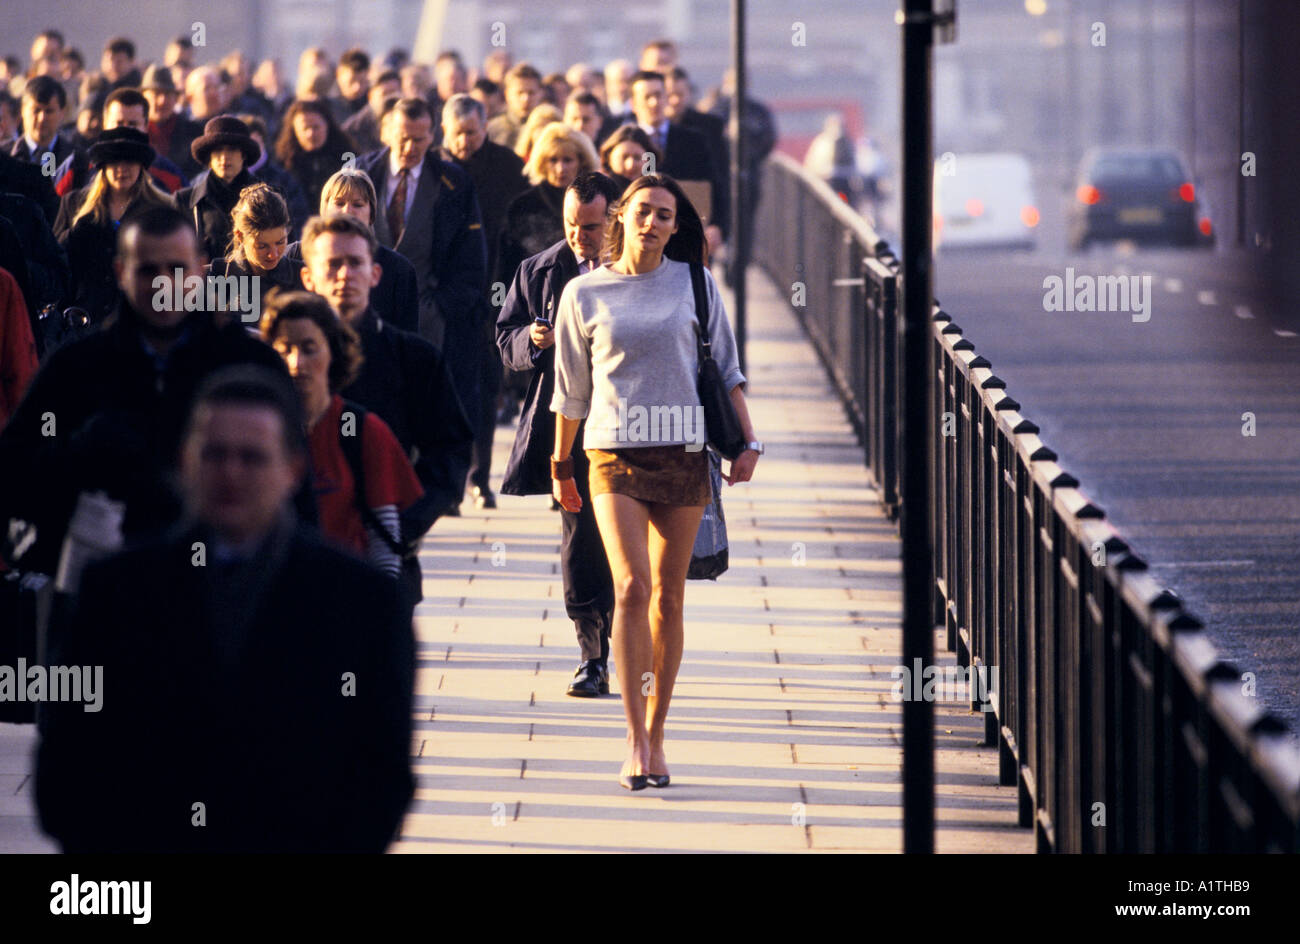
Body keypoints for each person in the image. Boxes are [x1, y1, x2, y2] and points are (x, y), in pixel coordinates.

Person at [35, 364, 415, 853]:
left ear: (291, 470)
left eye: (252, 457)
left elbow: (380, 779)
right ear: (185, 461)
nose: (231, 473)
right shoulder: (116, 590)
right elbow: (67, 764)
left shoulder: (361, 601)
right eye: (215, 454)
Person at [549, 174, 761, 789]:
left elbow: (726, 368)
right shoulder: (583, 293)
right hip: (612, 455)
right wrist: (561, 466)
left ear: (674, 225)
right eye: (643, 211)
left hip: (685, 453)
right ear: (623, 216)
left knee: (670, 596)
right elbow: (571, 392)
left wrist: (749, 442)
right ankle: (633, 742)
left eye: (664, 215)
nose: (652, 223)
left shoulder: (696, 283)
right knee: (632, 588)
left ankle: (658, 735)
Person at [0, 206, 287, 580]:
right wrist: (81, 456)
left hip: (226, 590)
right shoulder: (77, 368)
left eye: (177, 269)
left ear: (200, 270)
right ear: (121, 272)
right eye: (148, 269)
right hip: (104, 592)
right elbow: (15, 471)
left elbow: (294, 487)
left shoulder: (249, 364)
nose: (162, 283)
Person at [497, 172, 618, 696]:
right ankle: (591, 653)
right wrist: (532, 339)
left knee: (623, 539)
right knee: (579, 536)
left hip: (627, 424)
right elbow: (505, 338)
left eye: (590, 227)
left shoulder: (638, 270)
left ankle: (622, 636)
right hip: (564, 427)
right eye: (572, 225)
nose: (579, 236)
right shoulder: (539, 269)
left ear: (613, 218)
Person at [298, 212, 472, 549]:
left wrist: (404, 521)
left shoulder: (415, 359)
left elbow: (450, 450)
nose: (345, 275)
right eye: (333, 264)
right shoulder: (286, 361)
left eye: (355, 263)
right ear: (309, 278)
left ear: (375, 273)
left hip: (385, 543)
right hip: (302, 549)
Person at [260, 291, 422, 583]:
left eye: (309, 348)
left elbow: (384, 539)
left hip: (345, 602)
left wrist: (381, 609)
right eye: (285, 349)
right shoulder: (251, 433)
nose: (297, 363)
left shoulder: (362, 431)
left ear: (332, 352)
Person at [357, 97, 486, 434]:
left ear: (433, 136)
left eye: (419, 138)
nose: (410, 146)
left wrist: (441, 308)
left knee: (422, 411)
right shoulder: (360, 173)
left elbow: (471, 259)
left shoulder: (454, 183)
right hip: (364, 310)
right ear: (387, 132)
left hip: (427, 317)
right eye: (402, 137)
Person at [440, 93, 528, 505]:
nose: (464, 142)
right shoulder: (434, 169)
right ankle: (448, 476)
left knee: (486, 384)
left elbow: (522, 233)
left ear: (485, 127)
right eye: (457, 134)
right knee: (447, 388)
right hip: (446, 294)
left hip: (498, 290)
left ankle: (480, 476)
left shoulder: (508, 167)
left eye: (472, 133)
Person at [52, 127, 173, 325]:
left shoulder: (162, 209)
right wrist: (75, 233)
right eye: (114, 161)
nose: (122, 169)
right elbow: (55, 261)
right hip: (83, 321)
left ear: (141, 166)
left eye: (130, 161)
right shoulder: (74, 204)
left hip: (142, 320)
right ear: (103, 167)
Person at [290, 166, 420, 333]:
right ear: (324, 208)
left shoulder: (399, 269)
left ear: (371, 213)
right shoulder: (295, 255)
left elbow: (406, 339)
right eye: (339, 203)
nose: (347, 211)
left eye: (357, 204)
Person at [497, 123, 598, 288]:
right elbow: (502, 270)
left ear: (582, 162)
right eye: (553, 160)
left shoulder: (595, 203)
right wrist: (498, 309)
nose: (560, 168)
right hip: (532, 296)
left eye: (567, 160)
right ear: (542, 162)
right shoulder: (522, 205)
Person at [50, 88, 188, 197]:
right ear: (105, 124)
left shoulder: (169, 175)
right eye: (119, 123)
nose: (125, 131)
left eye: (132, 124)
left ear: (146, 126)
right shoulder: (77, 166)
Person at [208, 181, 302, 325]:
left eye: (280, 242)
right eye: (262, 246)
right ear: (240, 236)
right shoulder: (216, 277)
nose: (273, 254)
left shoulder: (303, 278)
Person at [174, 116, 261, 262]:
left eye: (232, 150)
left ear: (243, 154)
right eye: (218, 150)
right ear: (209, 156)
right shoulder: (185, 202)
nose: (224, 157)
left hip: (255, 283)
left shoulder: (266, 199)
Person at [274, 98, 356, 213]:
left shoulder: (347, 156)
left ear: (327, 125)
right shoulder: (282, 162)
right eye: (305, 128)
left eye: (316, 127)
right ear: (294, 131)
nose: (311, 134)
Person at [9, 76, 75, 170]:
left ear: (62, 113)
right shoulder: (5, 156)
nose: (42, 118)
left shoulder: (77, 161)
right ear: (22, 111)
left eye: (49, 111)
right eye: (36, 110)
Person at [342, 68, 400, 156]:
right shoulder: (353, 130)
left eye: (394, 93)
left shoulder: (408, 124)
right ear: (370, 96)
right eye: (385, 94)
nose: (390, 99)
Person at [486, 62, 543, 151]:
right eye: (520, 93)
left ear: (541, 94)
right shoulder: (493, 130)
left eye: (531, 93)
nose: (526, 99)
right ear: (507, 94)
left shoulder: (548, 128)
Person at [599, 125, 660, 198]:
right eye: (624, 157)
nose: (631, 165)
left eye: (637, 158)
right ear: (609, 157)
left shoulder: (659, 194)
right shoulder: (598, 191)